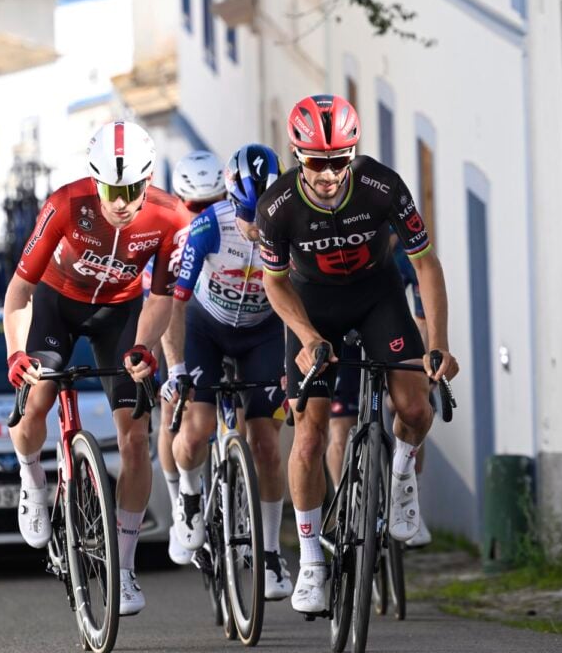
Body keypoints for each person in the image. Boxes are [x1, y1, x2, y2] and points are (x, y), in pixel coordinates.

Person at [256, 94, 459, 615]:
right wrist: (304, 336)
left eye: (339, 160)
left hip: (377, 296)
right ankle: (310, 562)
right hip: (312, 305)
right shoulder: (277, 206)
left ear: (353, 154)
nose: (328, 174)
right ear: (299, 155)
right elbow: (274, 284)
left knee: (415, 409)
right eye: (317, 162)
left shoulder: (383, 187)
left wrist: (437, 343)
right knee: (309, 435)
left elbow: (427, 265)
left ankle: (401, 477)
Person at [2, 120, 188, 617]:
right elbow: (19, 292)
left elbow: (162, 297)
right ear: (95, 179)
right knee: (35, 401)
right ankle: (32, 482)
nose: (122, 202)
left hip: (120, 317)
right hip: (57, 308)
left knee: (134, 435)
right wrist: (16, 355)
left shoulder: (172, 217)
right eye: (111, 189)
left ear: (148, 181)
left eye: (132, 190)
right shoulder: (66, 204)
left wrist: (146, 346)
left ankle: (124, 569)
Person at [159, 144, 294, 600]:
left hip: (265, 332)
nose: (258, 228)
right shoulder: (207, 228)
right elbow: (173, 305)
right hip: (206, 328)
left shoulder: (292, 221)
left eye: (265, 215)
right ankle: (191, 496)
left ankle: (272, 552)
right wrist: (176, 368)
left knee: (267, 446)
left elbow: (308, 298)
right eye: (248, 216)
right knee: (195, 431)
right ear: (231, 201)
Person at [326, 232, 435, 548]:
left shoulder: (404, 256)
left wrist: (423, 366)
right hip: (343, 338)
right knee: (339, 426)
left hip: (389, 332)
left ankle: (410, 497)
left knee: (415, 409)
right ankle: (344, 505)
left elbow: (422, 319)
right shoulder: (339, 241)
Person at [148, 150, 228, 565]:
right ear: (180, 200)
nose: (205, 211)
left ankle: (238, 480)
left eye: (215, 201)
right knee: (172, 404)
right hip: (179, 321)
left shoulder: (229, 224)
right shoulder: (165, 229)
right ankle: (181, 501)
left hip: (228, 318)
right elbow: (159, 301)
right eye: (196, 205)